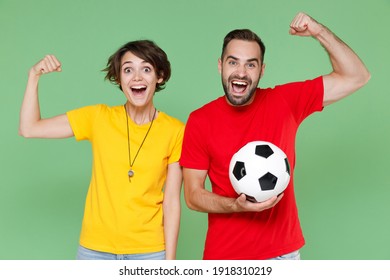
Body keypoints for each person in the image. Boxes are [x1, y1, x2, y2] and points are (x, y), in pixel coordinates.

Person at [180, 12, 370, 260]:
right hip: (225, 257)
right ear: (220, 65)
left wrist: (319, 32)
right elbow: (193, 196)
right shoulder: (200, 120)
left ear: (262, 70)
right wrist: (234, 205)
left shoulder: (284, 102)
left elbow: (357, 76)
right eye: (233, 62)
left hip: (282, 256)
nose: (241, 72)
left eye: (251, 64)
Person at [19, 40, 184, 260]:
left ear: (159, 76)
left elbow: (172, 202)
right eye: (128, 70)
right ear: (118, 78)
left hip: (149, 252)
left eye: (146, 69)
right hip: (94, 252)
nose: (137, 77)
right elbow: (29, 128)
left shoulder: (176, 131)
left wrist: (170, 263)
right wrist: (33, 76)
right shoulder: (98, 118)